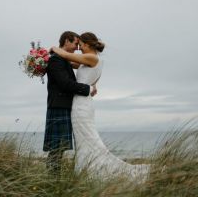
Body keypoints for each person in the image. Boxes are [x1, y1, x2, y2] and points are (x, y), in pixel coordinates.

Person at [50, 32, 150, 181]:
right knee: (85, 140)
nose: (78, 48)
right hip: (83, 103)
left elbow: (66, 56)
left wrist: (52, 48)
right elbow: (70, 64)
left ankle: (93, 172)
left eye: (81, 44)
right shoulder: (90, 61)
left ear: (88, 44)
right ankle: (87, 171)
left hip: (81, 106)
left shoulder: (91, 58)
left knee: (89, 140)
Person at [43, 31, 96, 177]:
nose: (76, 47)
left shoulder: (63, 59)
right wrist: (88, 89)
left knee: (59, 148)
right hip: (58, 106)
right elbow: (65, 84)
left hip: (63, 106)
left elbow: (82, 64)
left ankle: (54, 178)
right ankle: (52, 179)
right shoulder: (56, 60)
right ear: (66, 41)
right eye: (75, 43)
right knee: (56, 148)